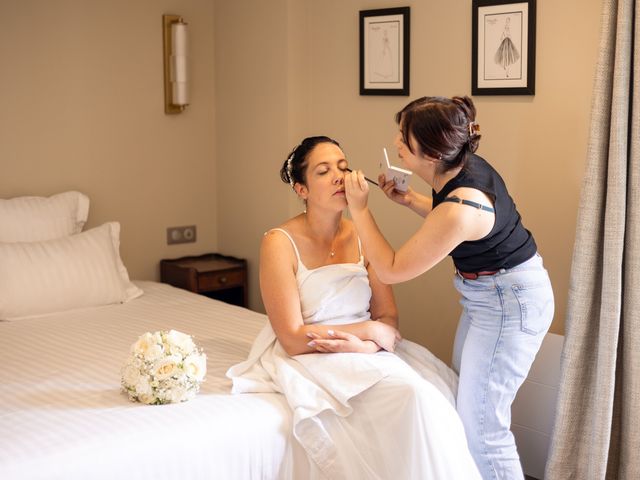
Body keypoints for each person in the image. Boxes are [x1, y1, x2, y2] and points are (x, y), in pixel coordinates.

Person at [227, 136, 481, 479]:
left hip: (365, 350)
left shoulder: (362, 233)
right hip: (312, 353)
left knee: (432, 394)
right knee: (412, 397)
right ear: (301, 189)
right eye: (323, 171)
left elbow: (388, 318)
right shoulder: (278, 242)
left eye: (343, 168)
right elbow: (291, 339)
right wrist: (366, 331)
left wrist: (365, 342)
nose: (339, 177)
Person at [344, 96, 554, 480]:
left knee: (485, 430)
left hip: (509, 304)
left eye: (405, 139)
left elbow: (390, 270)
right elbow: (454, 219)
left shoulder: (462, 207)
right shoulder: (461, 167)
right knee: (465, 405)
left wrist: (360, 211)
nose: (396, 142)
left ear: (432, 153)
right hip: (491, 297)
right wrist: (410, 200)